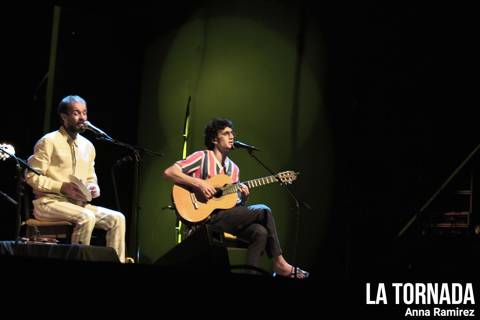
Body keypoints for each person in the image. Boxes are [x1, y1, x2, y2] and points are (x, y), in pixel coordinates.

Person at [164, 118, 309, 278]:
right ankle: (279, 262)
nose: (232, 136)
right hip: (203, 219)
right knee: (264, 210)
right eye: (226, 133)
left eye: (232, 133)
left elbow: (231, 206)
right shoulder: (202, 157)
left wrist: (244, 199)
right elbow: (170, 172)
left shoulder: (234, 169)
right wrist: (199, 183)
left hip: (223, 219)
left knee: (260, 232)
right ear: (214, 139)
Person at [25, 95, 126, 263]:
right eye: (76, 113)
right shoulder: (48, 141)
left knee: (117, 218)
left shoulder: (88, 146)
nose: (83, 118)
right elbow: (31, 176)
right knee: (86, 216)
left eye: (84, 113)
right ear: (64, 117)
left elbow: (90, 177)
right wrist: (61, 187)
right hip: (48, 203)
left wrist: (94, 187)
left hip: (78, 204)